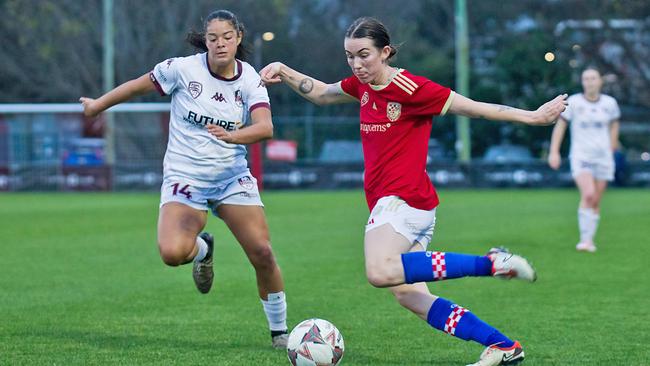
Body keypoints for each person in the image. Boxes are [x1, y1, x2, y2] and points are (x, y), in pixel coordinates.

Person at [259, 17, 567, 366]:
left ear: (385, 52)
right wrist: (282, 69)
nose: (357, 65)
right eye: (349, 57)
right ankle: (502, 345)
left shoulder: (411, 88)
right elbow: (322, 93)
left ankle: (492, 263)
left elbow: (476, 109)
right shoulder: (362, 86)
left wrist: (533, 117)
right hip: (402, 206)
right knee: (408, 295)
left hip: (402, 199)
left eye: (364, 55)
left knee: (379, 271)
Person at [79, 10, 289, 348]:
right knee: (173, 253)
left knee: (262, 253)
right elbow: (136, 87)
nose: (219, 43)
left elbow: (265, 128)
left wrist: (233, 137)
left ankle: (280, 333)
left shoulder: (249, 78)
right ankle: (204, 247)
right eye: (212, 38)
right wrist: (96, 106)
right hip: (185, 175)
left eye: (226, 37)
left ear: (238, 38)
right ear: (204, 40)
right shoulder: (182, 69)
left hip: (231, 176)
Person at [548, 67, 620, 253]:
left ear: (600, 81)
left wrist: (613, 144)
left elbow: (614, 124)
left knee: (595, 200)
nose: (589, 81)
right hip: (581, 156)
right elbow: (560, 127)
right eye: (586, 78)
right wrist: (554, 151)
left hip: (604, 157)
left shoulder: (610, 103)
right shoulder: (574, 102)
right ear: (582, 82)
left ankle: (589, 240)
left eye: (593, 78)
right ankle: (584, 240)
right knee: (588, 194)